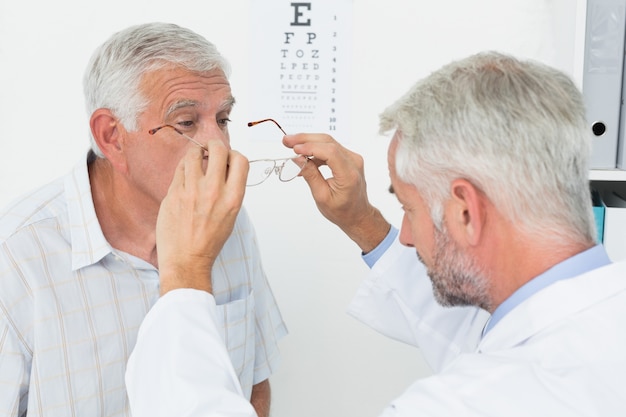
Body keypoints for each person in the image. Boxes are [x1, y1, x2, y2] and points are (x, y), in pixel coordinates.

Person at [125, 51, 626, 416]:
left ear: (467, 211)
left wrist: (186, 274)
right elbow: (482, 336)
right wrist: (362, 222)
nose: (404, 236)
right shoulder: (594, 322)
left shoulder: (469, 404)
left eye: (407, 207)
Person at [0, 23, 287, 417]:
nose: (219, 145)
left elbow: (253, 382)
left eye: (222, 119)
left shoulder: (229, 220)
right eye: (186, 122)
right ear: (112, 136)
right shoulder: (16, 256)